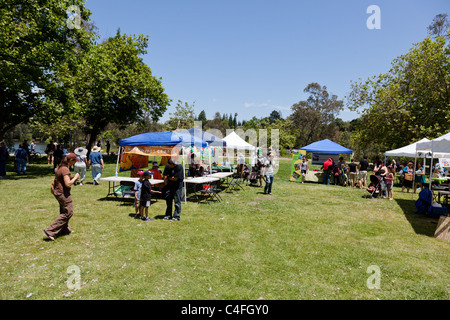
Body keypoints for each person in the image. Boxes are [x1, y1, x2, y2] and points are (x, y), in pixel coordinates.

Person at [44, 153, 80, 241]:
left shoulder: (60, 168)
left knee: (63, 211)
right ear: (71, 160)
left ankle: (64, 229)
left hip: (58, 192)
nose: (75, 163)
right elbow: (67, 184)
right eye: (75, 161)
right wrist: (75, 177)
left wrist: (73, 179)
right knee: (68, 212)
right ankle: (50, 230)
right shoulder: (64, 169)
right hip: (63, 194)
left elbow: (64, 180)